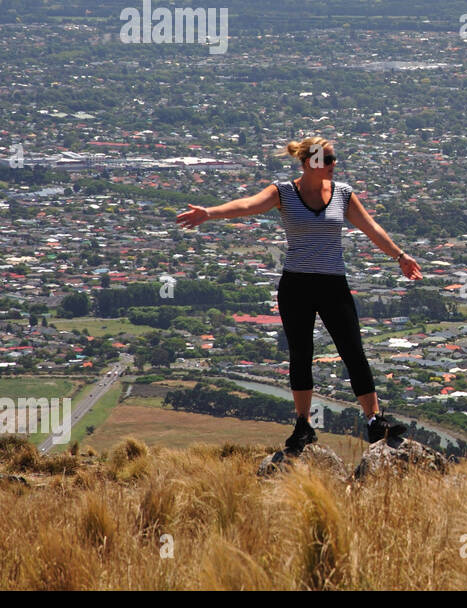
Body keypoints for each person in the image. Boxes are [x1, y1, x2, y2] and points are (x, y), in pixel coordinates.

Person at [175, 135, 423, 453]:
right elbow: (248, 206)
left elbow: (371, 228)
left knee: (353, 352)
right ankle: (303, 426)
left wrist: (400, 257)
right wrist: (210, 213)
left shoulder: (343, 195)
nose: (335, 164)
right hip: (296, 285)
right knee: (301, 355)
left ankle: (374, 420)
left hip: (333, 283)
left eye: (334, 158)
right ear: (309, 163)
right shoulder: (283, 192)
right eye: (328, 159)